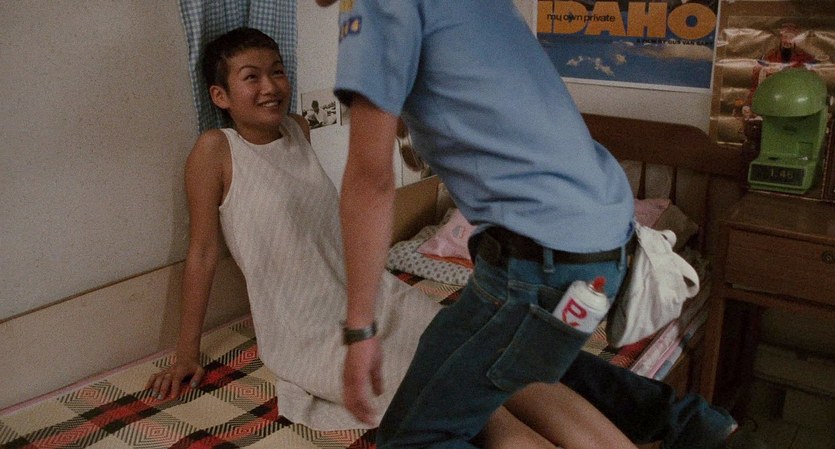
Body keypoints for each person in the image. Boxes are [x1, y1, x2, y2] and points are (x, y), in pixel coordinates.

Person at [145, 26, 643, 449]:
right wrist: (186, 352)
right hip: (307, 325)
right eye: (250, 77)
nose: (271, 86)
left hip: (374, 298)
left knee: (505, 371)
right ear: (220, 96)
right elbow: (203, 253)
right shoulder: (215, 151)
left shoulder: (297, 128)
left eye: (276, 71)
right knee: (480, 407)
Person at [317, 1, 767, 449]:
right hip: (604, 247)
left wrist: (360, 329)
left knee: (412, 438)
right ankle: (702, 429)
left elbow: (370, 180)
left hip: (540, 259)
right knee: (530, 361)